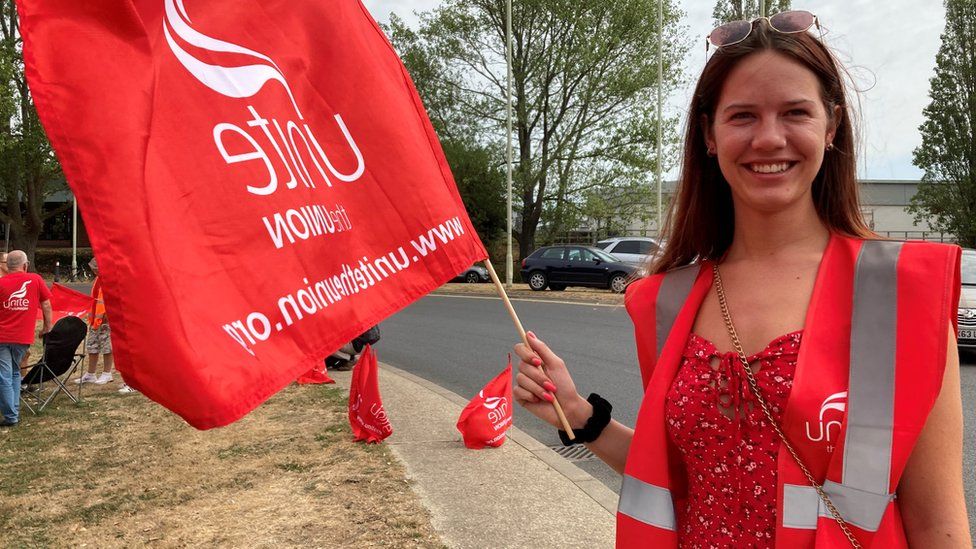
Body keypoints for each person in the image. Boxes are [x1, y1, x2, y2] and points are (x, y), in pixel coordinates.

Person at [514, 12, 971, 548]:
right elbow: (683, 480)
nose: (769, 138)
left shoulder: (900, 293)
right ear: (709, 134)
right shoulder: (666, 300)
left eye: (795, 112)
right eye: (743, 116)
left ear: (831, 126)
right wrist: (578, 416)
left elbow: (939, 517)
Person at [0, 250, 52, 427]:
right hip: (23, 337)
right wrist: (47, 326)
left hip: (2, 336)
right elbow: (46, 303)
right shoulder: (35, 280)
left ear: (7, 266)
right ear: (25, 265)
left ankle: (11, 416)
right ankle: (13, 410)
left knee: (5, 375)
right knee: (14, 372)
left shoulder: (1, 283)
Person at [75, 258, 130, 391]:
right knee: (92, 345)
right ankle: (91, 373)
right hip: (95, 319)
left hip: (106, 320)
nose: (93, 271)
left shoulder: (111, 280)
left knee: (107, 347)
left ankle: (106, 373)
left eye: (95, 268)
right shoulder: (98, 280)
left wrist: (107, 315)